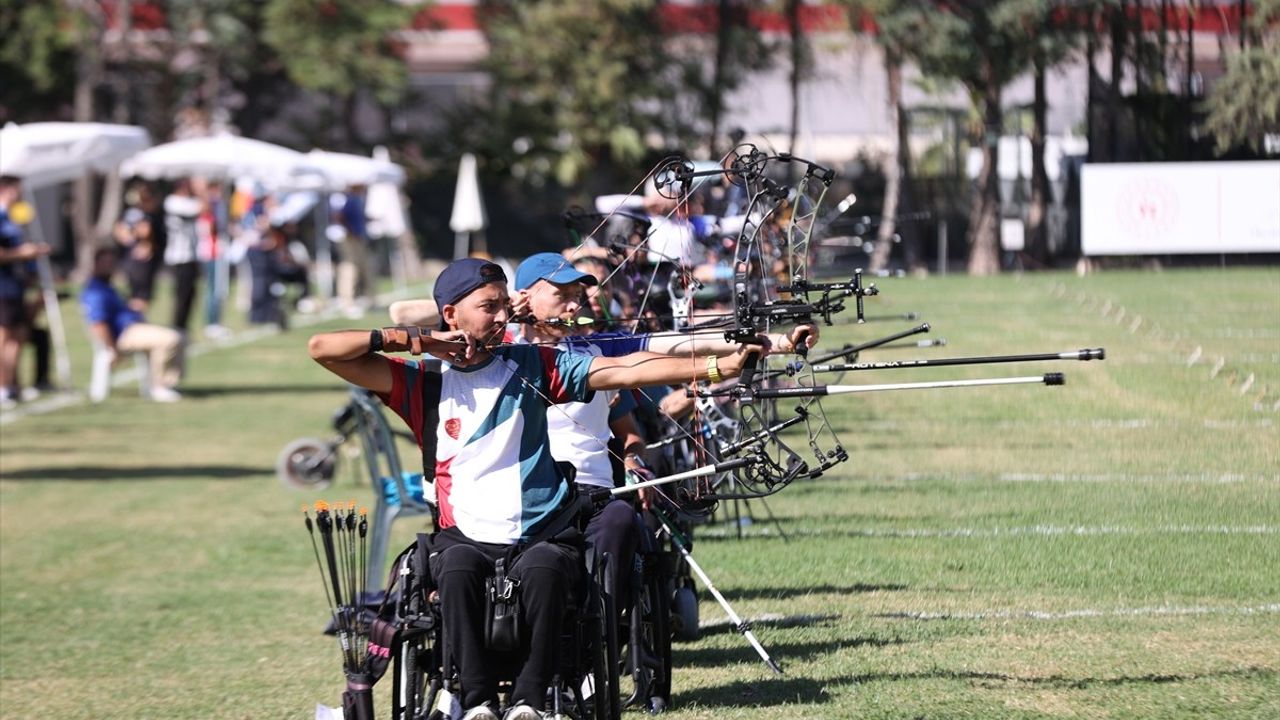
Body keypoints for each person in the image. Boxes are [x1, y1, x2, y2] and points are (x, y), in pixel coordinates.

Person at [307, 258, 757, 720]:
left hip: (542, 532)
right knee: (456, 573)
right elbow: (323, 348)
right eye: (489, 307)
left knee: (546, 571)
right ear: (450, 317)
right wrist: (413, 341)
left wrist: (717, 367)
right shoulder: (422, 381)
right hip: (464, 536)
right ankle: (477, 700)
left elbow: (622, 369)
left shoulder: (533, 363)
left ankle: (530, 700)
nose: (503, 316)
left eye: (505, 305)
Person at [80, 247, 185, 403]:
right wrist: (112, 348)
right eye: (106, 262)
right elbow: (98, 324)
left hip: (133, 328)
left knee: (180, 335)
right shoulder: (95, 291)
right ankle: (160, 386)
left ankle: (167, 382)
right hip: (124, 334)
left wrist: (132, 308)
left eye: (112, 263)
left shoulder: (108, 287)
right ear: (96, 264)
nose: (110, 266)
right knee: (170, 339)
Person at [0, 175, 47, 409]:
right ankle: (4, 387)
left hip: (15, 287)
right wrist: (23, 253)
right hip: (2, 288)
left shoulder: (13, 217)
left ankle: (12, 386)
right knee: (5, 338)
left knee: (17, 337)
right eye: (16, 189)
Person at [163, 178, 203, 335]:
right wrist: (201, 191)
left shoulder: (184, 202)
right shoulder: (174, 201)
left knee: (190, 293)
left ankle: (182, 326)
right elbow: (201, 208)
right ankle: (178, 326)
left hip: (190, 255)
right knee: (182, 293)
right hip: (180, 256)